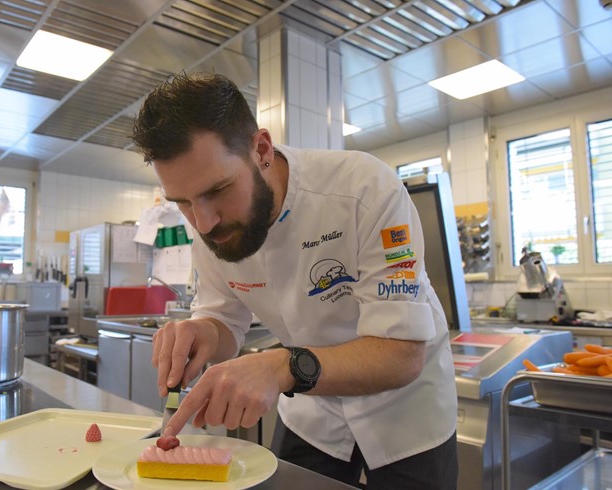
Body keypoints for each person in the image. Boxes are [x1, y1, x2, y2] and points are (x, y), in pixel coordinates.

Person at [131, 72, 458, 489]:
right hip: (313, 417)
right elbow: (224, 323)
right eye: (184, 203)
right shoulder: (205, 225)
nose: (204, 221)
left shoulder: (364, 189)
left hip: (408, 418)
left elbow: (402, 354)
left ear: (261, 151)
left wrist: (282, 366)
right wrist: (202, 333)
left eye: (219, 191)